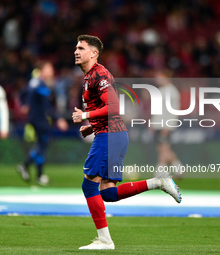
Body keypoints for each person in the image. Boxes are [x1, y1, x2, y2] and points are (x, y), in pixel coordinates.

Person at [72, 35, 182, 250]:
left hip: (110, 136)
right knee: (108, 193)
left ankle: (105, 241)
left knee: (89, 184)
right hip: (111, 133)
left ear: (93, 53)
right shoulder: (89, 77)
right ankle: (159, 182)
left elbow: (114, 107)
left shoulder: (99, 74)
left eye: (81, 48)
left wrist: (85, 115)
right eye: (76, 47)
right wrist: (92, 125)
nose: (76, 51)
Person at [16, 62, 68, 185]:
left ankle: (39, 175)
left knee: (41, 145)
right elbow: (46, 106)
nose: (51, 72)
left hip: (38, 118)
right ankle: (25, 164)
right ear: (42, 70)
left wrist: (25, 104)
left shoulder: (40, 84)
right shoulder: (39, 84)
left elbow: (22, 93)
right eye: (49, 69)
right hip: (39, 119)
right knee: (42, 146)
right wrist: (58, 119)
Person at [151, 69, 183, 178]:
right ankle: (170, 170)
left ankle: (171, 169)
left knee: (164, 147)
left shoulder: (171, 91)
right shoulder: (162, 90)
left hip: (165, 124)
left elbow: (171, 111)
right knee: (163, 148)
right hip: (160, 124)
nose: (157, 79)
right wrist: (153, 123)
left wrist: (167, 126)